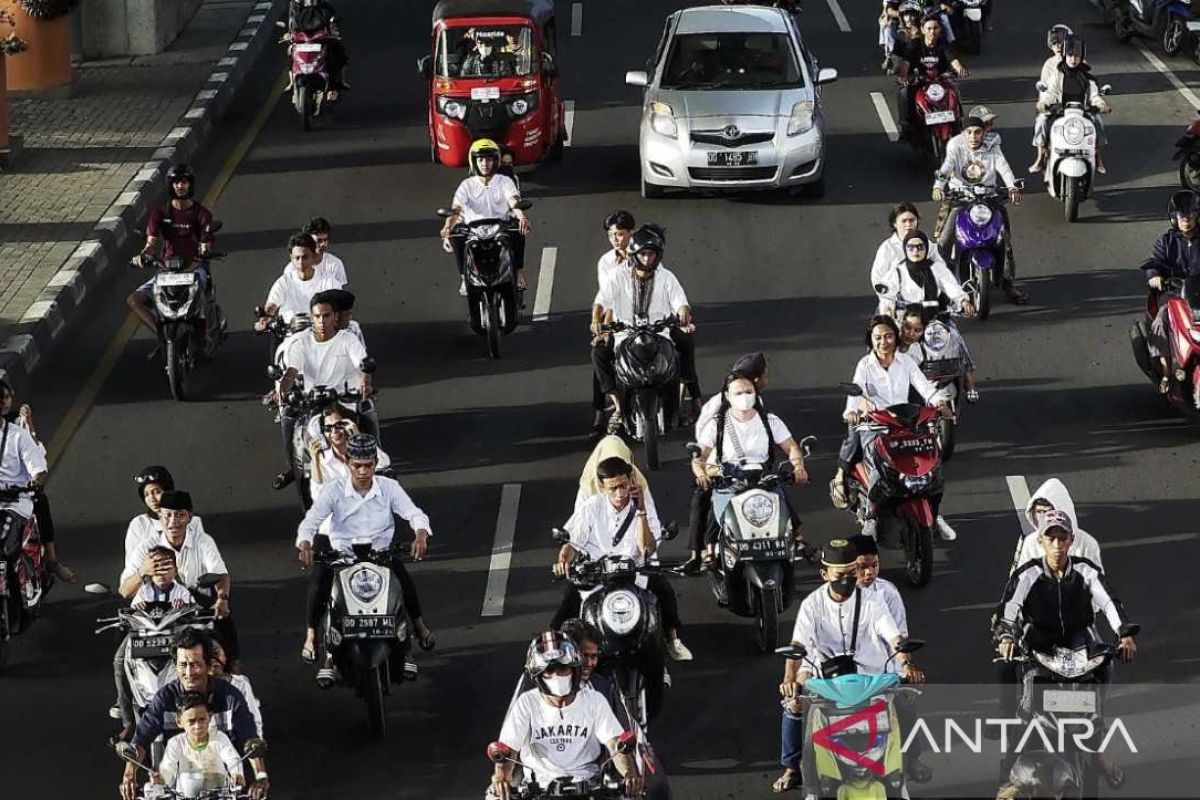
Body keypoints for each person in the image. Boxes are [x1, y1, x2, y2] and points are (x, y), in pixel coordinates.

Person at [996, 510, 1137, 789]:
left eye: (1063, 538)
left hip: (1078, 643)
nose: (1058, 545)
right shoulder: (1028, 574)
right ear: (1041, 541)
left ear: (1071, 540)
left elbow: (1110, 603)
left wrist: (1125, 635)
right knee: (1025, 702)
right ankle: (1009, 763)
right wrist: (1006, 635)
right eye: (1052, 538)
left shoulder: (1086, 571)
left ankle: (1096, 753)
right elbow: (1008, 609)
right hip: (1039, 645)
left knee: (1100, 687)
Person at [774, 539, 926, 793]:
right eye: (840, 574)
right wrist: (790, 680)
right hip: (826, 684)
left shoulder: (874, 602)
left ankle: (911, 760)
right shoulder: (811, 605)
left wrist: (907, 665)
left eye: (851, 572)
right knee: (794, 708)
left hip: (871, 680)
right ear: (825, 574)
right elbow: (797, 646)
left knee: (906, 701)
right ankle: (794, 770)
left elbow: (894, 638)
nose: (847, 579)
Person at [295, 434, 435, 685]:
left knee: (403, 583)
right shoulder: (333, 489)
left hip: (380, 555)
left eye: (368, 465)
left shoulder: (389, 487)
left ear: (375, 463)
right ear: (348, 463)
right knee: (319, 585)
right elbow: (311, 520)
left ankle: (417, 633)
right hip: (343, 557)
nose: (362, 471)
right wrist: (305, 543)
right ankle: (315, 640)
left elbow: (414, 513)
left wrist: (420, 535)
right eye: (357, 465)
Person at [552, 457, 692, 661]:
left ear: (631, 480)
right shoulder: (592, 506)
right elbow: (572, 542)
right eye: (613, 488)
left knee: (664, 590)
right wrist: (563, 559)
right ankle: (558, 651)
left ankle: (672, 641)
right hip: (598, 574)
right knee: (566, 608)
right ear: (602, 486)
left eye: (624, 485)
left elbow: (647, 547)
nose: (620, 493)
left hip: (634, 572)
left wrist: (641, 511)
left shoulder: (643, 504)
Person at [831, 315, 953, 538]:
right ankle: (870, 516)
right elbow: (856, 393)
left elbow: (925, 387)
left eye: (888, 336)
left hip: (905, 424)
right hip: (875, 426)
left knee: (932, 465)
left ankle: (935, 515)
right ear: (871, 340)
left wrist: (938, 402)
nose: (883, 342)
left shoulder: (905, 362)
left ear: (896, 338)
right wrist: (853, 412)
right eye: (878, 338)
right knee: (878, 468)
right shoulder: (865, 365)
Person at [489, 632, 641, 800]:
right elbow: (507, 750)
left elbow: (615, 744)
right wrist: (501, 779)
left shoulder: (594, 700)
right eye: (550, 670)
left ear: (574, 668)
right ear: (539, 675)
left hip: (590, 788)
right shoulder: (526, 703)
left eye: (563, 668)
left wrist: (630, 774)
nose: (557, 675)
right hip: (538, 790)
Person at [120, 628, 267, 800]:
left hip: (227, 790)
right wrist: (130, 774)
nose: (189, 673)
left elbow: (249, 738)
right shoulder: (164, 698)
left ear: (208, 664)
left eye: (195, 664)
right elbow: (142, 738)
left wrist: (261, 777)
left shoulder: (231, 696)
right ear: (175, 665)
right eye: (183, 665)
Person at [691, 372, 812, 567]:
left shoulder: (769, 420)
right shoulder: (716, 424)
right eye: (738, 393)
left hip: (764, 478)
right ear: (728, 396)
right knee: (722, 515)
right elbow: (700, 456)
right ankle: (712, 549)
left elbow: (791, 447)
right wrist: (702, 474)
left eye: (748, 391)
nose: (744, 396)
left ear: (756, 394)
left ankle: (797, 541)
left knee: (783, 511)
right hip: (730, 479)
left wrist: (799, 467)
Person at [591, 224, 699, 433]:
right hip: (625, 334)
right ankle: (619, 408)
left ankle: (680, 401)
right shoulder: (618, 276)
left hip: (659, 333)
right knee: (598, 353)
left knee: (683, 349)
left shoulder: (667, 277)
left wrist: (684, 313)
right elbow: (600, 301)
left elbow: (680, 302)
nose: (647, 259)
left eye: (651, 254)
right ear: (634, 255)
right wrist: (596, 321)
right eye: (643, 254)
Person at [269, 293, 375, 490]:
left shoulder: (348, 339)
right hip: (311, 402)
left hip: (344, 399)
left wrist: (365, 383)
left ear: (335, 317)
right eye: (317, 316)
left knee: (367, 411)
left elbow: (362, 364)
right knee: (288, 418)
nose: (321, 321)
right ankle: (293, 466)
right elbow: (292, 371)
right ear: (311, 317)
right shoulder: (301, 343)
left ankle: (378, 464)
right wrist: (283, 389)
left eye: (326, 316)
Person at [119, 490, 239, 663]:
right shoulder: (146, 547)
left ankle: (233, 674)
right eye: (167, 515)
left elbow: (221, 575)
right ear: (159, 515)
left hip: (194, 614)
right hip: (154, 621)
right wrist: (142, 571)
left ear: (190, 517)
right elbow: (125, 591)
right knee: (120, 659)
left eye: (180, 515)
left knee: (225, 652)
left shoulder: (203, 541)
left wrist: (222, 599)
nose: (173, 522)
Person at [932, 116, 1026, 304]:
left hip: (989, 199)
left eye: (977, 132)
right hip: (961, 199)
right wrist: (938, 186)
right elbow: (946, 168)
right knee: (943, 242)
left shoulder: (992, 147)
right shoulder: (956, 147)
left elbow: (1004, 168)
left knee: (1004, 241)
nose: (973, 136)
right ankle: (941, 286)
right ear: (963, 133)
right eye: (969, 132)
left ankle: (1008, 283)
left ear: (983, 133)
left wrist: (1012, 188)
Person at [129, 164, 218, 335]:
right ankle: (162, 334)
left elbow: (205, 245)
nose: (180, 186)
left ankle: (205, 335)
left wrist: (200, 256)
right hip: (166, 270)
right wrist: (143, 255)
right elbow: (151, 244)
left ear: (190, 185)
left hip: (194, 268)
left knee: (201, 297)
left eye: (184, 182)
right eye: (176, 182)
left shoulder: (202, 214)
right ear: (171, 185)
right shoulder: (160, 212)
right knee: (134, 300)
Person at [440, 138, 531, 298]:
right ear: (474, 162)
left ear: (495, 161)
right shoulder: (466, 185)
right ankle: (464, 278)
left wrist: (522, 217)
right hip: (473, 231)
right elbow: (456, 209)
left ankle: (517, 274)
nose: (485, 163)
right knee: (456, 236)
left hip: (500, 229)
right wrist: (447, 227)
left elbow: (514, 201)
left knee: (518, 230)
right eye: (480, 159)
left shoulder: (504, 181)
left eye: (489, 159)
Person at [0, 380, 72, 581]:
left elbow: (36, 458)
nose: (3, 402)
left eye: (6, 397)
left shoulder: (17, 428)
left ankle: (51, 560)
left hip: (18, 495)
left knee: (39, 500)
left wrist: (34, 479)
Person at [1141, 194, 1200, 393]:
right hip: (1174, 293)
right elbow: (1154, 263)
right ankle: (1167, 371)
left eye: (1190, 216)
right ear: (1174, 218)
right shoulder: (1166, 241)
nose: (1186, 220)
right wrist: (1155, 275)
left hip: (1198, 294)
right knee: (1163, 319)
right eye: (1182, 216)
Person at [1031, 34, 1110, 175]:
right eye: (1070, 55)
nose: (1073, 59)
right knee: (1041, 120)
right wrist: (1043, 102)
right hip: (1059, 111)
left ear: (1082, 57)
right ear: (1065, 56)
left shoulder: (1087, 77)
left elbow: (1094, 95)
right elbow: (1050, 91)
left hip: (1083, 111)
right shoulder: (1057, 74)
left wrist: (1101, 104)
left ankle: (1098, 157)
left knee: (1098, 122)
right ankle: (1041, 155)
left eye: (1077, 56)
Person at [590, 210, 637, 435]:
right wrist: (603, 328)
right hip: (616, 321)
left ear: (630, 233)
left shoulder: (643, 256)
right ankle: (607, 412)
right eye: (611, 235)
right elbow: (606, 297)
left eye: (619, 234)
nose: (615, 239)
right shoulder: (606, 261)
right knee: (599, 355)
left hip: (640, 318)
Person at [152, 693, 245, 793]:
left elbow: (233, 760)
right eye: (191, 721)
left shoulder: (219, 738)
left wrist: (236, 774)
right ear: (179, 721)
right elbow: (168, 768)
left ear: (210, 717)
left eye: (202, 719)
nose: (197, 726)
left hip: (218, 795)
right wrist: (161, 778)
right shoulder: (176, 743)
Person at [895, 15, 969, 139]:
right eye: (929, 28)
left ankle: (957, 121)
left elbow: (953, 59)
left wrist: (960, 69)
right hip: (919, 81)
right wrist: (903, 76)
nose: (932, 32)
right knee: (904, 92)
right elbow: (906, 62)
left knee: (954, 90)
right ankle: (906, 126)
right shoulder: (915, 45)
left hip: (940, 80)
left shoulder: (943, 44)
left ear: (940, 30)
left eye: (935, 28)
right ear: (923, 30)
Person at [255, 233, 344, 332]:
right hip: (288, 335)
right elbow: (271, 306)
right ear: (291, 257)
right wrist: (264, 319)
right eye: (297, 258)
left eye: (305, 257)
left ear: (313, 255)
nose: (301, 262)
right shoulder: (283, 282)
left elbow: (340, 309)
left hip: (319, 335)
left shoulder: (329, 282)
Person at [876, 229, 975, 318]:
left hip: (935, 321)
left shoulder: (937, 268)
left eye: (920, 247)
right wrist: (888, 309)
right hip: (908, 324)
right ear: (905, 249)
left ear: (927, 248)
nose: (916, 251)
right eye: (911, 247)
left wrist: (963, 301)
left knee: (953, 337)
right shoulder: (897, 271)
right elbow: (887, 293)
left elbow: (950, 285)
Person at [1016, 478, 1102, 571]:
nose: (1043, 517)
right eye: (1039, 512)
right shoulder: (1030, 544)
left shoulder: (1087, 544)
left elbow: (1096, 580)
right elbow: (1022, 580)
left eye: (1047, 512)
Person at [899, 303, 979, 403]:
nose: (911, 333)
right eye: (907, 327)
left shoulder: (923, 343)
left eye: (917, 330)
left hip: (928, 386)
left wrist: (962, 301)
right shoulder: (891, 339)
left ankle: (969, 381)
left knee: (954, 334)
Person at [870, 203, 949, 295]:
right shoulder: (887, 248)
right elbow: (877, 278)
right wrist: (889, 301)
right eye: (904, 221)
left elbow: (942, 271)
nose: (908, 224)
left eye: (912, 220)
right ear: (895, 223)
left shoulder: (928, 245)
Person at [286, 0, 348, 98]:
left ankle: (336, 85)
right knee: (291, 51)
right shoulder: (298, 10)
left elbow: (333, 23)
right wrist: (289, 34)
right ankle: (291, 81)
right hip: (303, 39)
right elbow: (293, 25)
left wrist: (334, 31)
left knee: (337, 51)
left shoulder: (326, 9)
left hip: (321, 39)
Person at [211, 640, 264, 738]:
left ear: (225, 655)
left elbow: (255, 720)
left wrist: (256, 743)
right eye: (206, 655)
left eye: (216, 653)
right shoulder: (191, 686)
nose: (213, 660)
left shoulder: (240, 684)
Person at [301, 216, 348, 285]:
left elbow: (338, 293)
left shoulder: (335, 263)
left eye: (325, 240)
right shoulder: (294, 266)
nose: (323, 244)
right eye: (319, 241)